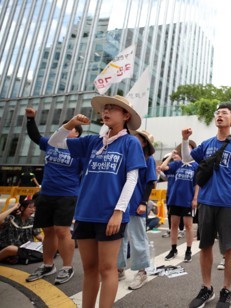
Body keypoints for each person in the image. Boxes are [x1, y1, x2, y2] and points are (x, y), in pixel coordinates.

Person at [48, 95, 146, 308]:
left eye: (112, 108)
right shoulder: (93, 141)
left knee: (107, 269)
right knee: (89, 268)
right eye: (105, 109)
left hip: (110, 215)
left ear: (126, 115)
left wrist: (119, 212)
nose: (106, 112)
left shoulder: (130, 142)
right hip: (85, 213)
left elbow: (132, 178)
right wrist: (71, 124)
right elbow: (54, 142)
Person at [181, 103, 231, 308]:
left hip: (229, 202)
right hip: (206, 201)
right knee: (205, 246)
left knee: (229, 248)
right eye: (218, 113)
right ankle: (206, 288)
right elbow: (187, 159)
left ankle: (226, 290)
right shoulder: (206, 144)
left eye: (225, 113)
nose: (220, 116)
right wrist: (185, 140)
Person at [24, 108, 83, 285]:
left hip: (67, 195)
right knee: (48, 231)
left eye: (70, 127)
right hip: (46, 194)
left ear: (77, 134)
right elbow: (35, 136)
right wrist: (30, 119)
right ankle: (48, 265)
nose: (65, 129)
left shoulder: (80, 150)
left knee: (62, 231)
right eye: (64, 127)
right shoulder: (51, 143)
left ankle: (67, 267)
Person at [117, 130, 157, 290]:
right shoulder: (125, 155)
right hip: (120, 204)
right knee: (118, 239)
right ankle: (119, 269)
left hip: (136, 204)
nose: (132, 139)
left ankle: (142, 272)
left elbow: (149, 182)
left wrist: (143, 202)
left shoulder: (149, 159)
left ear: (144, 142)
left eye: (137, 138)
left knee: (138, 239)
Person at [162, 139, 199, 263]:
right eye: (184, 147)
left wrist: (195, 199)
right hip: (174, 199)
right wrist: (171, 156)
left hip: (188, 201)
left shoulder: (195, 166)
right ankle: (173, 249)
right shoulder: (177, 164)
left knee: (188, 226)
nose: (186, 149)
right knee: (174, 225)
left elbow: (198, 184)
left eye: (189, 147)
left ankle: (188, 250)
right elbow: (162, 167)